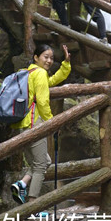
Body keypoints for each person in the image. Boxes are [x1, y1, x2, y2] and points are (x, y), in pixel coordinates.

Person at [10, 44, 71, 209]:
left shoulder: (29, 72)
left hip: (23, 124)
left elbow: (51, 82)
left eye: (51, 58)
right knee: (41, 166)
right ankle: (33, 206)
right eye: (46, 56)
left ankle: (22, 184)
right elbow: (43, 102)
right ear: (36, 57)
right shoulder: (40, 73)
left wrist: (65, 64)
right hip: (35, 123)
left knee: (45, 161)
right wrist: (53, 123)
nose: (49, 61)